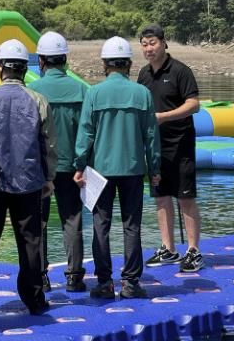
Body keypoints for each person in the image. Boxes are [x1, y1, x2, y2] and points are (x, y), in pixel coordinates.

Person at [0, 39, 57, 316]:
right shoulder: (38, 100)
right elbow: (48, 145)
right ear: (24, 69)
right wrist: (49, 178)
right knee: (30, 242)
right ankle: (34, 300)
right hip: (28, 181)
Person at [74, 36, 160, 300]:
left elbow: (86, 133)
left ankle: (104, 282)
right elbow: (151, 136)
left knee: (101, 225)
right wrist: (155, 168)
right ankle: (131, 282)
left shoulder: (94, 93)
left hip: (100, 171)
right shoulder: (142, 94)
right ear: (129, 64)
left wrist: (79, 165)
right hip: (133, 169)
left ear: (105, 64)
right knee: (131, 226)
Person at [137, 24, 203, 272]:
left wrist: (164, 117)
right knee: (161, 196)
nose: (149, 48)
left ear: (164, 43)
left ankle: (194, 250)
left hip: (181, 143)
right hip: (155, 145)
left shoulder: (180, 71)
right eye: (144, 44)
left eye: (153, 43)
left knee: (185, 197)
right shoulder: (143, 74)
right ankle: (169, 248)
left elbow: (194, 104)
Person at [28, 31, 88, 293]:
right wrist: (82, 164)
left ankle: (41, 277)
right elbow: (87, 132)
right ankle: (74, 276)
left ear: (41, 61)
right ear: (65, 59)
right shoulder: (82, 90)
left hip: (41, 168)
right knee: (72, 220)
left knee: (38, 222)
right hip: (72, 167)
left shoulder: (33, 91)